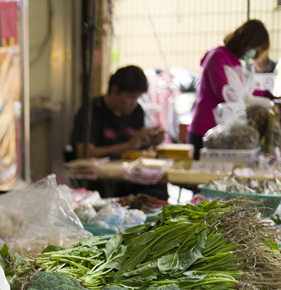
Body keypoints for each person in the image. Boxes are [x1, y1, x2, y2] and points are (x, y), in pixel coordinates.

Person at [68, 65, 167, 199]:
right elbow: (84, 152)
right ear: (114, 90)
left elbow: (137, 147)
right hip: (101, 181)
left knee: (158, 187)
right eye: (130, 97)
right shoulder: (91, 111)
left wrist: (149, 142)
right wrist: (129, 144)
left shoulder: (137, 112)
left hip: (130, 174)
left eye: (137, 98)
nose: (134, 103)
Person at [188, 19, 271, 158]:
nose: (253, 55)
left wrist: (265, 95)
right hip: (205, 131)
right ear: (246, 42)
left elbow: (243, 92)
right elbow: (224, 93)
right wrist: (255, 100)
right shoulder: (218, 56)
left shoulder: (235, 61)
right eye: (255, 50)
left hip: (223, 132)